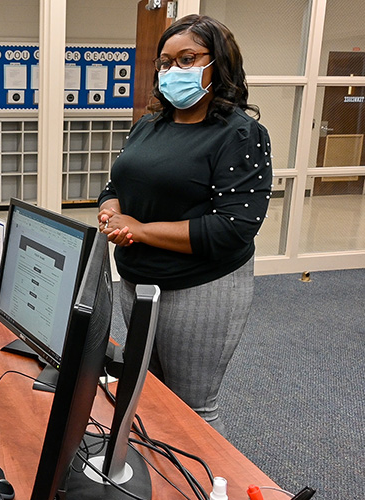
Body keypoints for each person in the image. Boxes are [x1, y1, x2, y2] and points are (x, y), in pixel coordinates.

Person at [98, 14, 272, 434]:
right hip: (137, 280)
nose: (173, 71)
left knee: (192, 410)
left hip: (200, 287)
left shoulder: (241, 134)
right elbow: (113, 184)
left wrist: (136, 229)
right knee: (148, 391)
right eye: (165, 62)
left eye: (187, 59)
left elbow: (231, 228)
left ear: (219, 64)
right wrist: (110, 212)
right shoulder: (148, 124)